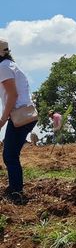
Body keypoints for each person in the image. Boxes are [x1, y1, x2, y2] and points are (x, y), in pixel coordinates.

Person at [0, 38, 38, 204]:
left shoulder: (3, 67)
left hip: (19, 116)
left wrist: (2, 119)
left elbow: (13, 95)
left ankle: (16, 192)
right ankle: (15, 188)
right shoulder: (9, 65)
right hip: (24, 114)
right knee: (10, 155)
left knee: (9, 155)